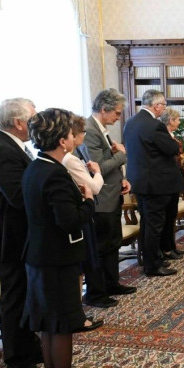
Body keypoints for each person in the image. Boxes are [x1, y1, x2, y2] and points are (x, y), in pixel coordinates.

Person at [21, 108, 101, 368]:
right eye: (69, 132)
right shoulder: (54, 173)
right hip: (56, 258)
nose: (72, 137)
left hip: (40, 255)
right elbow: (68, 221)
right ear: (62, 140)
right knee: (63, 324)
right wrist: (88, 202)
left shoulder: (35, 167)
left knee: (49, 324)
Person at [0, 97, 44, 368]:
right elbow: (18, 197)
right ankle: (17, 367)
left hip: (17, 237)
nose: (37, 123)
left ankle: (30, 350)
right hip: (9, 240)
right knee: (15, 302)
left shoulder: (8, 145)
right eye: (33, 118)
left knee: (25, 297)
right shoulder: (0, 150)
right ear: (18, 123)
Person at [83, 89, 136, 304]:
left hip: (112, 195)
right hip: (101, 200)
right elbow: (98, 168)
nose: (118, 117)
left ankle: (112, 283)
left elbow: (108, 163)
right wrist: (122, 154)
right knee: (101, 247)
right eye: (117, 113)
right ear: (104, 109)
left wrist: (122, 179)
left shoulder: (100, 128)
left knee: (113, 243)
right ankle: (97, 293)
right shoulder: (89, 131)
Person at [123, 89, 182, 277]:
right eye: (163, 105)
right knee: (154, 225)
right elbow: (172, 148)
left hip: (139, 182)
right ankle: (153, 265)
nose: (164, 108)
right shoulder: (154, 125)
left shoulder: (130, 122)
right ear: (156, 106)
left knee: (147, 223)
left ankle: (150, 259)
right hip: (156, 183)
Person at [62, 115, 110, 323]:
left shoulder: (72, 156)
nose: (83, 136)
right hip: (81, 214)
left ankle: (77, 310)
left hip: (81, 212)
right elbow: (93, 188)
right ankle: (77, 312)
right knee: (82, 265)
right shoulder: (70, 159)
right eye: (81, 133)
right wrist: (97, 172)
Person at [158, 107, 184, 256]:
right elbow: (174, 160)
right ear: (171, 120)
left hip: (173, 181)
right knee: (167, 217)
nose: (179, 122)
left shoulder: (171, 136)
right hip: (166, 181)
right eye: (178, 119)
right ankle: (166, 249)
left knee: (172, 215)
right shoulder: (164, 137)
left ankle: (171, 247)